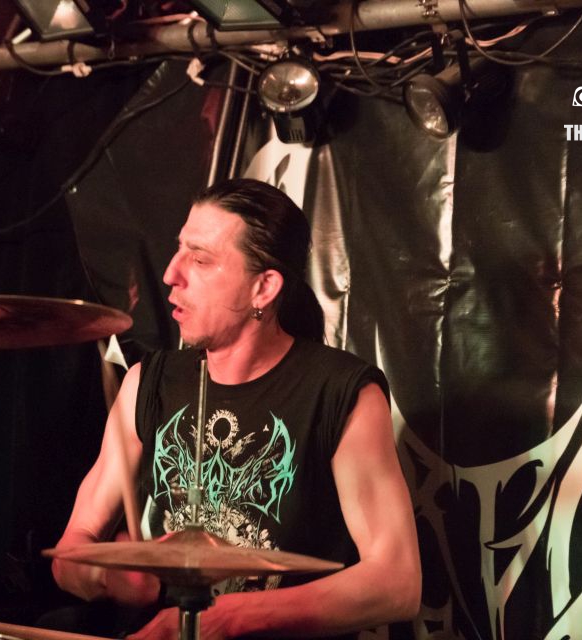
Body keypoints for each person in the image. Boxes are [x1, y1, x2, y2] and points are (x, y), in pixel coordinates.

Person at [51, 178, 420, 639]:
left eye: (200, 259)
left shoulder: (341, 394)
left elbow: (396, 583)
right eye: (179, 249)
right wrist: (107, 577)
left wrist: (225, 619)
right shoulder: (148, 383)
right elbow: (72, 549)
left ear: (263, 288)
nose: (171, 274)